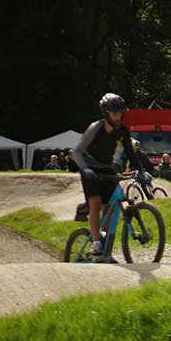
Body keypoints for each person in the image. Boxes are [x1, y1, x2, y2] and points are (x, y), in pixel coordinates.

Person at [72, 94, 152, 255]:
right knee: (95, 202)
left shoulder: (123, 130)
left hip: (107, 167)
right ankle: (96, 243)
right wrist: (86, 170)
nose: (118, 116)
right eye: (114, 113)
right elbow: (76, 152)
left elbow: (131, 153)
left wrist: (142, 170)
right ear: (106, 113)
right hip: (89, 167)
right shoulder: (96, 127)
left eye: (120, 113)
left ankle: (104, 240)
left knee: (113, 204)